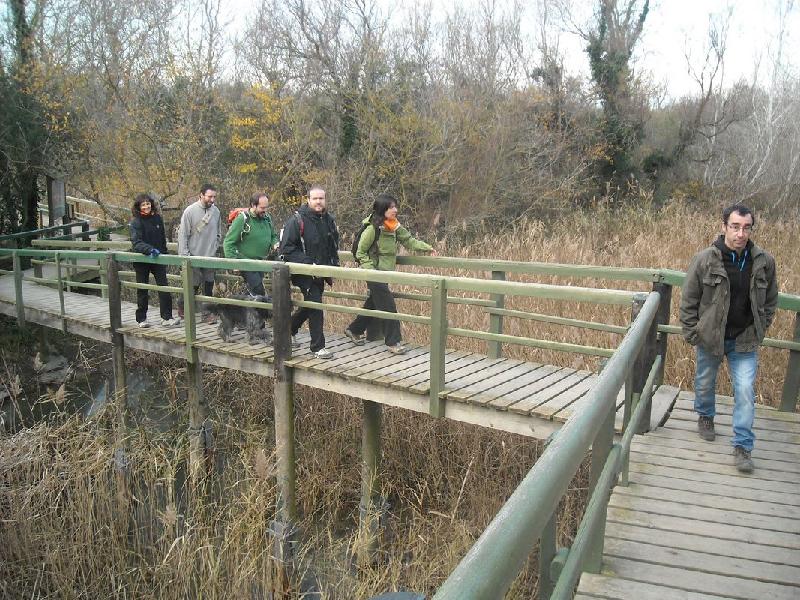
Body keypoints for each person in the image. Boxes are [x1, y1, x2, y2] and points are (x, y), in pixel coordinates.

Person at [679, 203, 778, 474]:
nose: (740, 234)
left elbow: (771, 300)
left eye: (746, 228)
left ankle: (743, 446)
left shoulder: (764, 262)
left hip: (744, 339)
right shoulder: (705, 259)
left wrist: (760, 327)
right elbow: (689, 299)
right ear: (724, 227)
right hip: (711, 337)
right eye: (735, 227)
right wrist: (693, 332)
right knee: (704, 382)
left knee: (745, 390)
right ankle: (705, 416)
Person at [345, 194, 434, 354]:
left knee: (373, 304)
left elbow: (409, 241)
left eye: (395, 206)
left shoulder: (394, 226)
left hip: (385, 275)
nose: (395, 210)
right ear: (383, 209)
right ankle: (393, 342)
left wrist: (428, 248)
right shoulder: (372, 229)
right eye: (392, 207)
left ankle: (354, 329)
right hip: (374, 274)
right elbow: (360, 252)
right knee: (388, 307)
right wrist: (371, 270)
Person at [279, 186, 340, 359]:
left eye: (321, 198)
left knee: (311, 303)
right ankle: (317, 347)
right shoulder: (297, 220)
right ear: (308, 200)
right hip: (303, 271)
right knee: (315, 305)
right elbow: (286, 248)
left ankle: (288, 329)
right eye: (315, 198)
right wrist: (308, 263)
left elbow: (332, 245)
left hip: (321, 271)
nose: (319, 202)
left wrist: (333, 264)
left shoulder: (328, 220)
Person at [129, 193, 182, 328]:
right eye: (143, 205)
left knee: (164, 287)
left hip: (158, 258)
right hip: (142, 259)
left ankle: (167, 317)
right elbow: (136, 242)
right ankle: (141, 319)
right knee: (143, 289)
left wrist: (164, 253)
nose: (146, 206)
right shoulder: (136, 222)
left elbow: (162, 238)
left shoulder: (157, 219)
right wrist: (150, 249)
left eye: (148, 204)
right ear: (138, 207)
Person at [178, 184, 222, 323]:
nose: (212, 199)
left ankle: (207, 314)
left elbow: (218, 232)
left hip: (209, 256)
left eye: (214, 197)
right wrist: (185, 256)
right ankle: (183, 307)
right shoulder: (190, 211)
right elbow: (183, 235)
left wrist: (214, 247)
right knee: (193, 285)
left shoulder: (216, 212)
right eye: (209, 196)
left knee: (208, 286)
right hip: (193, 256)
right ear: (201, 195)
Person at [223, 192, 278, 296]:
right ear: (253, 205)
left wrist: (275, 244)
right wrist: (234, 262)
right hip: (246, 263)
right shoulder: (242, 219)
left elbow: (273, 236)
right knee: (258, 290)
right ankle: (261, 307)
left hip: (261, 262)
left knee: (253, 292)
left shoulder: (267, 218)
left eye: (266, 207)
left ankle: (244, 303)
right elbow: (228, 242)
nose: (265, 210)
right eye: (262, 208)